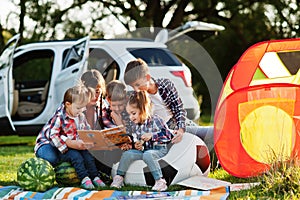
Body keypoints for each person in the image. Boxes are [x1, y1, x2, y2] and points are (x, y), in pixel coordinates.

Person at [123, 58, 214, 149]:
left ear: (147, 77)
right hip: (164, 132)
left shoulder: (165, 85)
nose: (135, 89)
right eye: (132, 86)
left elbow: (179, 109)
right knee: (202, 139)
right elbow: (132, 121)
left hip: (179, 124)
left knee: (212, 133)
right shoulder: (137, 97)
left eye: (138, 85)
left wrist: (181, 130)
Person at [34, 84, 106, 190]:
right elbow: (53, 135)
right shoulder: (60, 117)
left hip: (73, 142)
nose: (81, 110)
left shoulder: (80, 115)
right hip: (55, 144)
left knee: (88, 156)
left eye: (83, 107)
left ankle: (95, 177)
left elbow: (86, 129)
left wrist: (89, 140)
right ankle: (84, 178)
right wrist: (65, 148)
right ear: (68, 104)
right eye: (78, 108)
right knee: (76, 157)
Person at [110, 91, 173, 191]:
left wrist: (152, 136)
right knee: (127, 154)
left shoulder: (156, 120)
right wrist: (137, 145)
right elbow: (137, 140)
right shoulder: (135, 125)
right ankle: (119, 177)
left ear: (143, 110)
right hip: (144, 151)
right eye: (129, 114)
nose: (131, 117)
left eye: (133, 113)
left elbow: (168, 135)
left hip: (158, 149)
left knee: (148, 155)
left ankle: (160, 181)